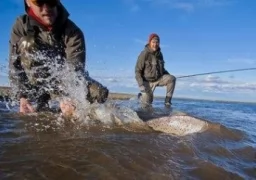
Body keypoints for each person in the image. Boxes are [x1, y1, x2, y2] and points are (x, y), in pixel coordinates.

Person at [9, 0, 109, 114]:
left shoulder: (73, 32)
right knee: (27, 42)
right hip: (35, 82)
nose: (46, 8)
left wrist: (69, 96)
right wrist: (22, 96)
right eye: (38, 1)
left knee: (99, 93)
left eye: (51, 1)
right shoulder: (20, 26)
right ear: (28, 2)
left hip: (63, 81)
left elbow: (75, 70)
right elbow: (15, 67)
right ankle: (40, 101)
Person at [135, 33, 176, 107]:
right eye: (153, 42)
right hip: (146, 82)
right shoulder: (144, 54)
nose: (155, 44)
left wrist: (168, 76)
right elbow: (137, 71)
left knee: (172, 78)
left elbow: (162, 69)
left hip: (157, 79)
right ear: (149, 43)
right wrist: (141, 85)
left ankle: (167, 102)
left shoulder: (160, 54)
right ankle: (140, 97)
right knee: (147, 104)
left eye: (157, 42)